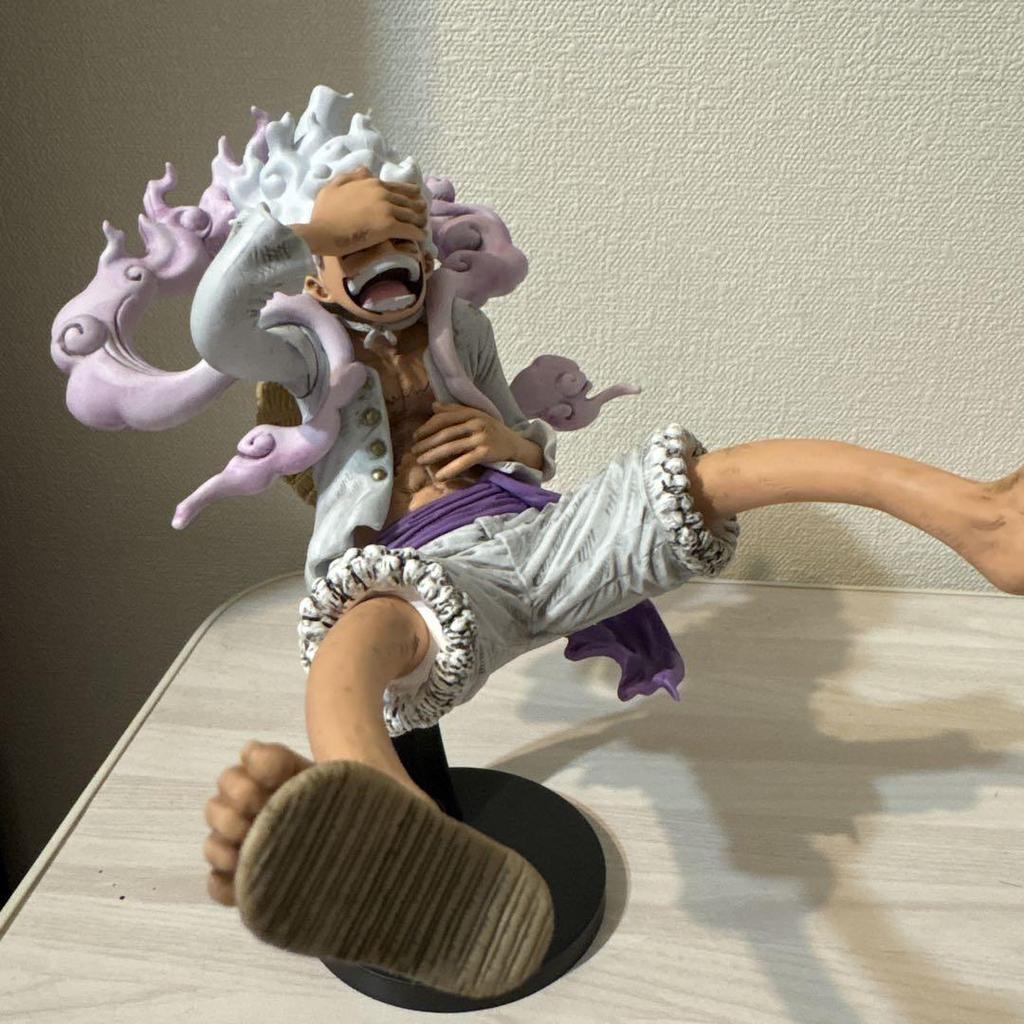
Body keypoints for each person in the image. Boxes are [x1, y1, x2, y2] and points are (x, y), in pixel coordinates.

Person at [50, 85, 1023, 1001]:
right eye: (354, 249)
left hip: (537, 533)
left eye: (399, 240)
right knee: (357, 645)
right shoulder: (303, 353)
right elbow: (218, 322)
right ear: (311, 270)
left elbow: (524, 438)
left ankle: (976, 516)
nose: (387, 261)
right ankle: (388, 838)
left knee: (699, 482)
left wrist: (506, 440)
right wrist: (292, 212)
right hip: (423, 571)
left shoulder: (458, 327)